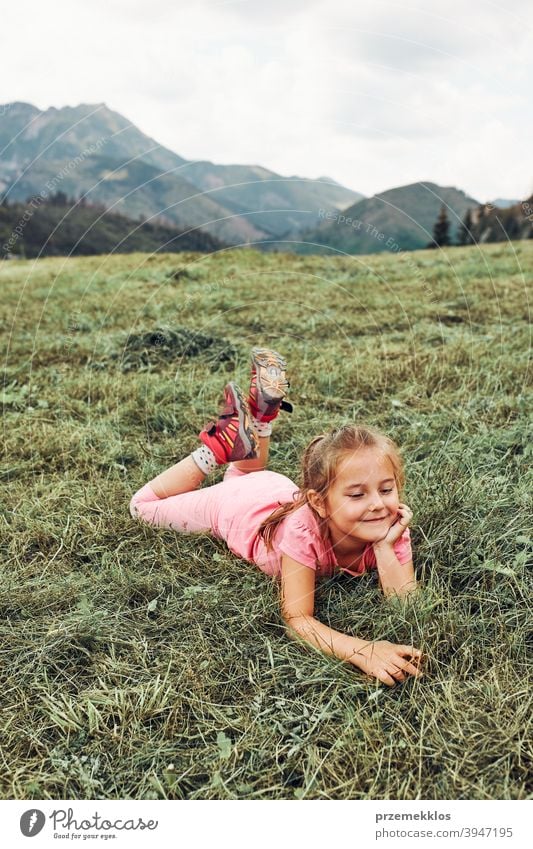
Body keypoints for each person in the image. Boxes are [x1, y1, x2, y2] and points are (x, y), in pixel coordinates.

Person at [129, 348, 424, 687]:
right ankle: (213, 451)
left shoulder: (388, 523)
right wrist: (361, 650)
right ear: (321, 503)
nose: (377, 504)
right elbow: (298, 618)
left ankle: (259, 422)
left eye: (386, 490)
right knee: (142, 506)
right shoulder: (303, 530)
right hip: (237, 507)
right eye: (357, 494)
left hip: (275, 490)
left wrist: (386, 548)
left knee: (243, 471)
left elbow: (406, 607)